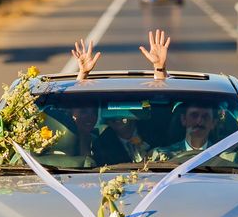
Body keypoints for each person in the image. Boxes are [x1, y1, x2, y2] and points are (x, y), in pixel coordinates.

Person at [70, 29, 170, 164]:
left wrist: (159, 68)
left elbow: (164, 95)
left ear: (136, 110)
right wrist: (82, 74)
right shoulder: (102, 142)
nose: (118, 116)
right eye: (111, 109)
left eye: (123, 109)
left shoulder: (154, 131)